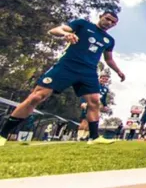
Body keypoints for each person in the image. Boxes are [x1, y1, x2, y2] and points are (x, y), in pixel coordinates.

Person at [0, 10, 125, 146]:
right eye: (107, 19)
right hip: (67, 66)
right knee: (37, 96)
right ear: (101, 16)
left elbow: (109, 59)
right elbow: (55, 30)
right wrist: (67, 34)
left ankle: (93, 138)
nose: (109, 23)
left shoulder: (109, 40)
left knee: (94, 101)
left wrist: (118, 71)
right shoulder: (82, 24)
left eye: (113, 22)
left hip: (88, 71)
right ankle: (3, 135)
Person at [77, 73, 111, 141]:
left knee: (92, 121)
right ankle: (79, 136)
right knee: (85, 120)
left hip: (96, 106)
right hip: (88, 103)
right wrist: (83, 102)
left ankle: (85, 136)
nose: (104, 80)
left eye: (106, 79)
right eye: (103, 78)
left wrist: (105, 106)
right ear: (100, 78)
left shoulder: (105, 89)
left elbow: (103, 98)